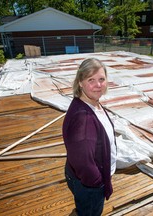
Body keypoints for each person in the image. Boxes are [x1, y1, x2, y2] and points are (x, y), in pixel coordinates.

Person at [62, 58, 117, 216]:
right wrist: (98, 183)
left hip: (81, 178)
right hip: (89, 185)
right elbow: (84, 163)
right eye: (91, 80)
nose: (98, 85)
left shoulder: (92, 103)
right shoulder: (83, 118)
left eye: (101, 79)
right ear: (80, 82)